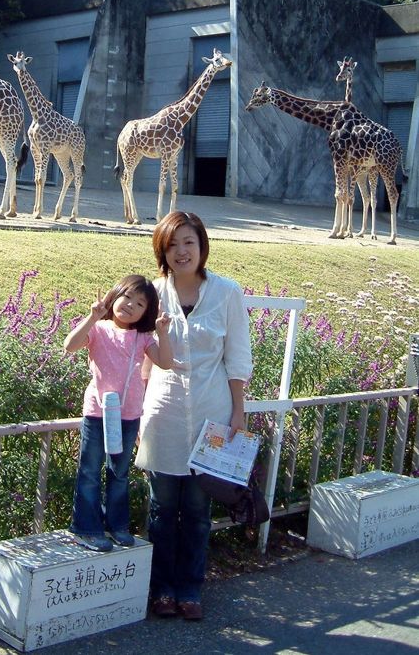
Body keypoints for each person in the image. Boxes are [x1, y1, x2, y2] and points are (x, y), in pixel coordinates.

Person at [135, 211, 253, 620]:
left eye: (189, 242)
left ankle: (190, 589)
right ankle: (162, 589)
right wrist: (136, 412)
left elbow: (237, 357)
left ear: (202, 245)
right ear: (162, 252)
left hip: (212, 415)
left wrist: (238, 413)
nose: (181, 251)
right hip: (162, 414)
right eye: (172, 244)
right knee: (162, 509)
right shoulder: (151, 293)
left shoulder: (227, 293)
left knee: (199, 512)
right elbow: (143, 359)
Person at [64, 274, 174, 552]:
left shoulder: (143, 338)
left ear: (146, 313)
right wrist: (91, 317)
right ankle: (86, 528)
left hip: (129, 415)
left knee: (120, 472)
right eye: (127, 297)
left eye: (140, 304)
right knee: (90, 471)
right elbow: (69, 345)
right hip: (98, 411)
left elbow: (166, 362)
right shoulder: (99, 329)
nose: (130, 305)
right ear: (115, 295)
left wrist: (162, 332)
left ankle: (117, 526)